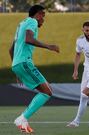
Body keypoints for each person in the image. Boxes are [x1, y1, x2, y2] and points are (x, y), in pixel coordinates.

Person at [9, 5, 59, 133]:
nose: (43, 18)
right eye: (43, 15)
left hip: (18, 63)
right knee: (47, 92)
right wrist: (49, 46)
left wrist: (16, 69)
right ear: (37, 14)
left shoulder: (21, 25)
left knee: (47, 90)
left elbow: (11, 49)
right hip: (25, 62)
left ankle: (23, 120)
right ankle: (22, 118)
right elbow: (29, 39)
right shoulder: (32, 21)